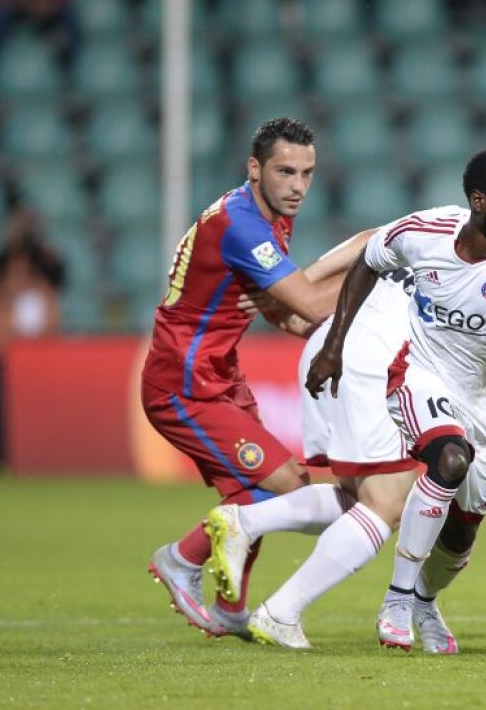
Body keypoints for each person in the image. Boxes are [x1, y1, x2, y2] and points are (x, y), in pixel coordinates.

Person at [204, 161, 486, 651]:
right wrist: (297, 299)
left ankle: (258, 531)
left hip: (443, 393)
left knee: (417, 519)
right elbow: (373, 251)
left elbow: (370, 243)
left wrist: (297, 294)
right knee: (397, 494)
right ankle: (343, 604)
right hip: (392, 365)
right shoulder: (447, 235)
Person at [142, 118, 368, 638]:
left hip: (219, 374)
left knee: (253, 493)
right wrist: (371, 264)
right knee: (284, 487)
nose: (298, 186)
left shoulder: (266, 217)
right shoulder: (242, 224)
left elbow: (288, 313)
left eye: (307, 173)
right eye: (285, 171)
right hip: (183, 383)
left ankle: (229, 609)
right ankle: (181, 558)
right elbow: (308, 302)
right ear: (254, 168)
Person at [0, 205, 64, 472]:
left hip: (35, 350)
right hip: (6, 348)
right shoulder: (1, 271)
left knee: (38, 408)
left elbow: (59, 275)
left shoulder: (44, 268)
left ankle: (38, 457)